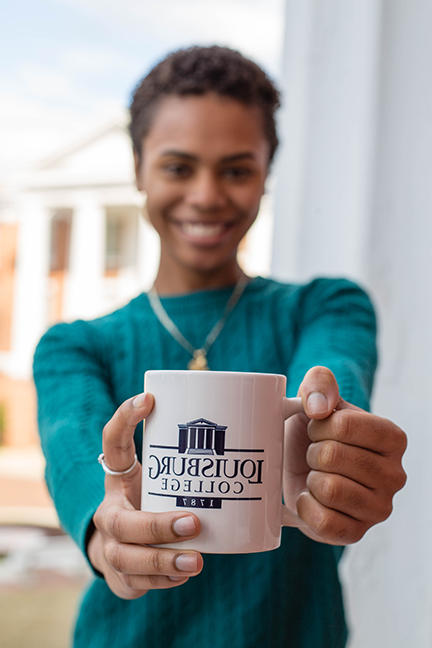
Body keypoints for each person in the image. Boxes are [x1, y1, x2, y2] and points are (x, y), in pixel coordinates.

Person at [33, 46, 407, 648]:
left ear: (266, 173)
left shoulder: (326, 306)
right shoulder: (73, 347)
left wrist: (337, 445)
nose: (207, 195)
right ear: (138, 168)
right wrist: (113, 542)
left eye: (236, 169)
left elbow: (333, 381)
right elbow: (80, 470)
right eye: (179, 167)